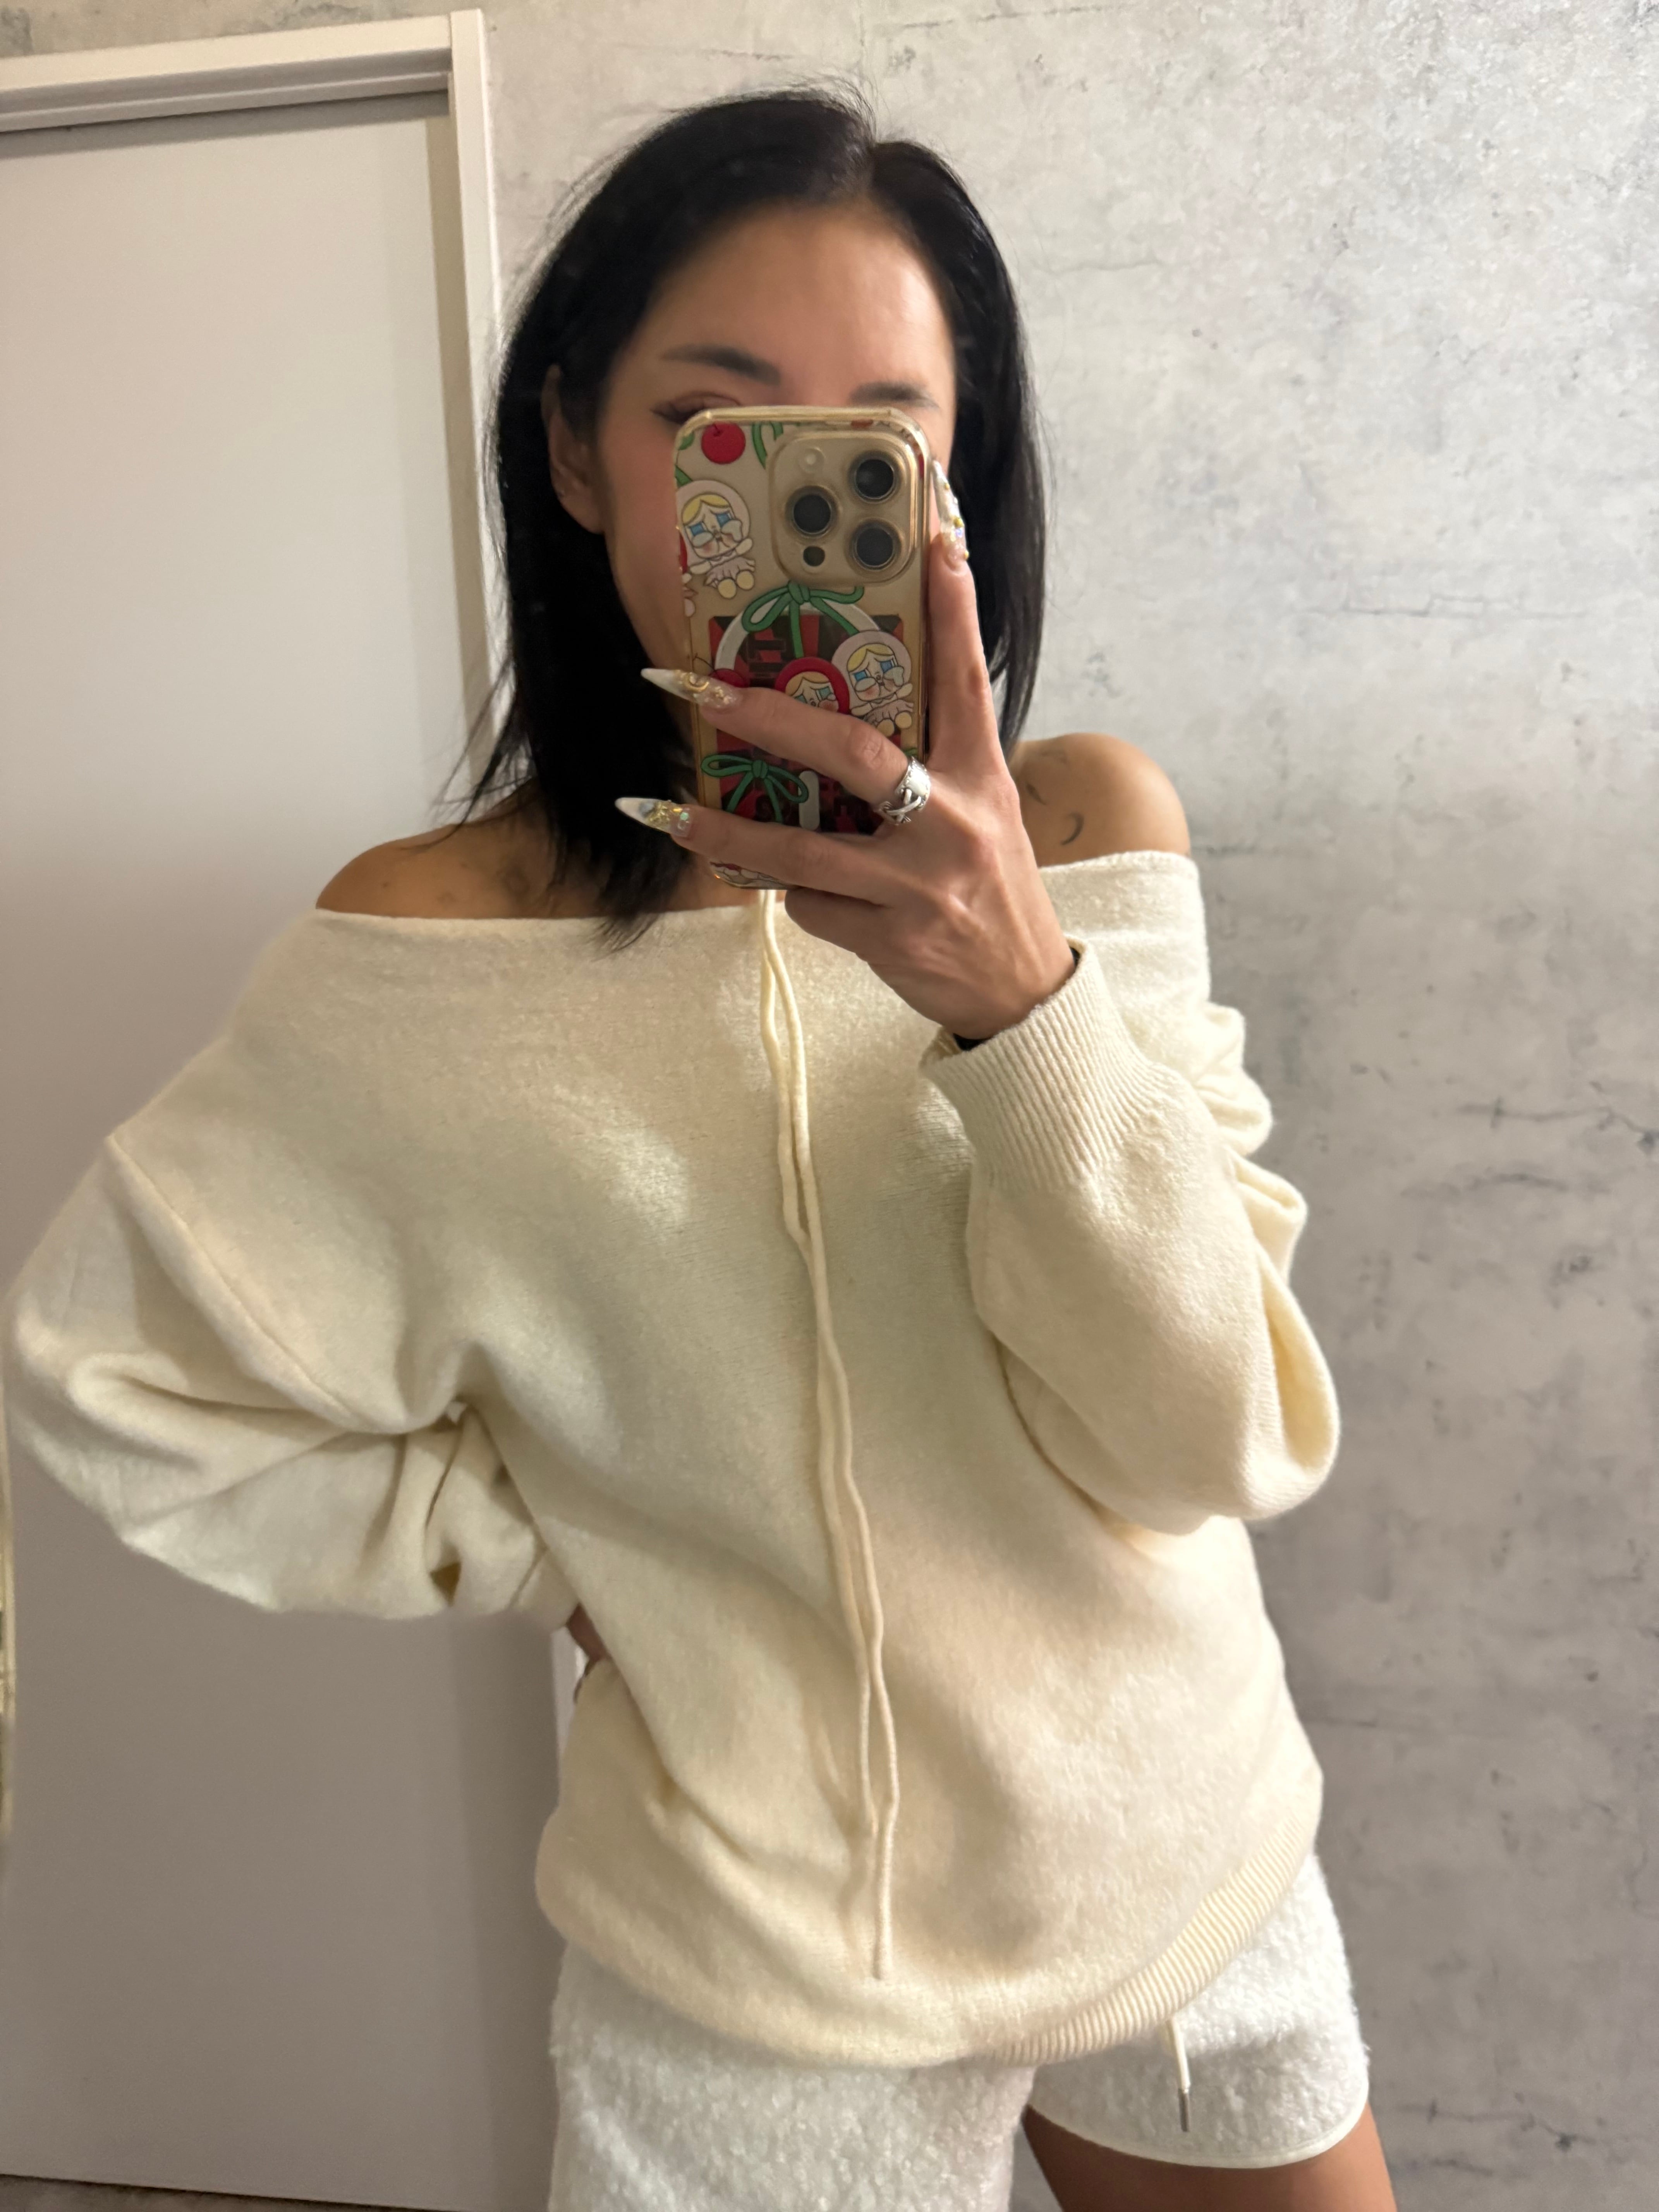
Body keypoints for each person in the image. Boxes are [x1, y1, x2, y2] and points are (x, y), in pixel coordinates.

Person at [0, 86, 1398, 2212]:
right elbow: (117, 1375)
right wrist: (566, 1547)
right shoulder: (429, 948)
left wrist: (1019, 998)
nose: (796, 494)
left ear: (955, 473)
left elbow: (1204, 1436)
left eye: (879, 434)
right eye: (713, 422)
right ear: (576, 447)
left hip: (1181, 1864)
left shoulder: (1089, 836)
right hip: (752, 1974)